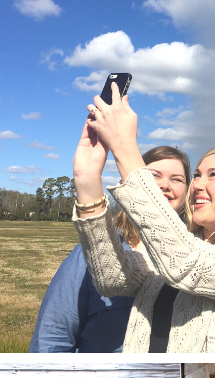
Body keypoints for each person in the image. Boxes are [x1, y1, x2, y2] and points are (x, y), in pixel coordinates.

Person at [72, 82, 215, 352]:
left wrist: (125, 148)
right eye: (196, 175)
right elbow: (111, 277)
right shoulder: (174, 253)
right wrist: (87, 178)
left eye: (213, 175)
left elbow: (184, 261)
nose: (196, 185)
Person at [29, 146, 190, 352]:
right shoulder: (94, 252)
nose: (164, 184)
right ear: (133, 184)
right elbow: (53, 336)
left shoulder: (196, 254)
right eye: (153, 176)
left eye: (177, 179)